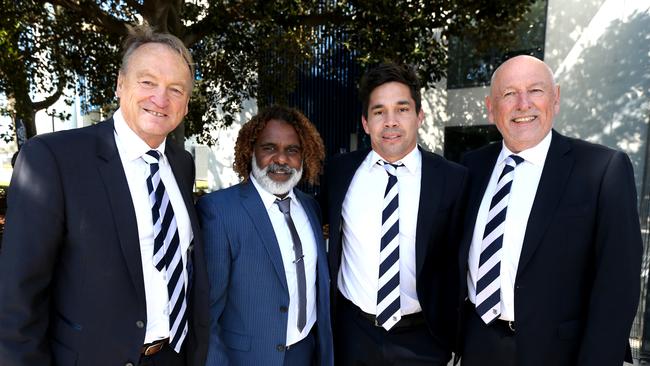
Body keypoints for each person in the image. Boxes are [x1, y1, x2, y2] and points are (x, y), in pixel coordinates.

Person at [0, 25, 209, 366]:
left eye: (176, 89)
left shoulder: (180, 163)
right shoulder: (54, 159)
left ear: (186, 105)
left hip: (173, 356)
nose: (161, 98)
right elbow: (17, 298)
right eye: (148, 82)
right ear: (120, 84)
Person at [458, 55, 642, 366]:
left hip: (560, 354)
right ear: (491, 107)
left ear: (555, 99)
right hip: (479, 346)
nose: (523, 104)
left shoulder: (602, 169)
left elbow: (617, 287)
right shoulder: (471, 166)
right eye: (509, 94)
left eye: (536, 91)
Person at [324, 63, 467, 365]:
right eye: (379, 112)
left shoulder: (453, 180)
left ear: (419, 116)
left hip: (423, 340)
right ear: (365, 122)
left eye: (401, 109)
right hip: (352, 335)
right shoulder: (338, 173)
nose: (390, 122)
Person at [197, 105, 333, 366]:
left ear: (305, 157)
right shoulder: (219, 211)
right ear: (251, 152)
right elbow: (207, 314)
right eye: (269, 148)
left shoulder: (310, 207)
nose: (281, 159)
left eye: (292, 150)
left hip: (307, 353)